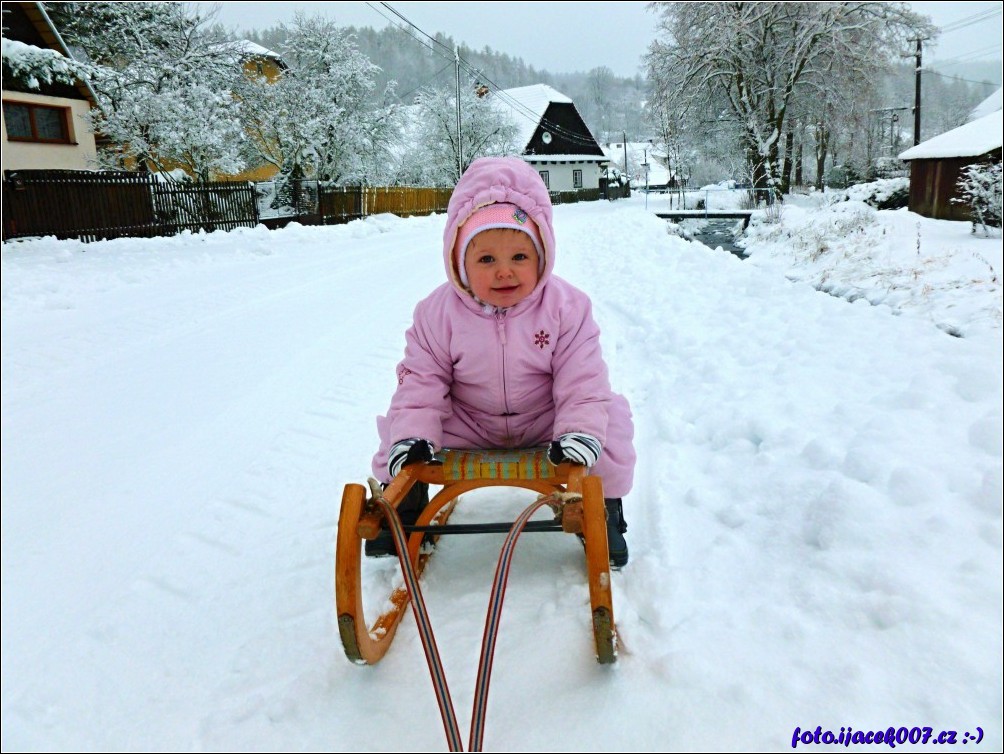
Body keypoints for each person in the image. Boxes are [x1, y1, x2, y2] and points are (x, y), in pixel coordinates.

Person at [368, 156, 636, 568]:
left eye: (520, 257)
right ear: (460, 260)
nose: (504, 273)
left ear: (542, 254)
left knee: (608, 418)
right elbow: (421, 382)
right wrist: (413, 437)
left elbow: (582, 379)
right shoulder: (437, 314)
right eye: (486, 259)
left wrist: (578, 431)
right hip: (469, 425)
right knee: (401, 427)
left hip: (546, 423)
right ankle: (405, 503)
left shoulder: (567, 308)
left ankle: (603, 510)